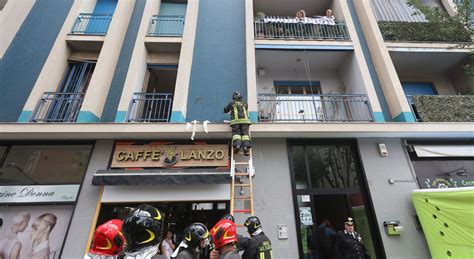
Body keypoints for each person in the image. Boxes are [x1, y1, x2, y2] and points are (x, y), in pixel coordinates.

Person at [224, 91, 252, 156]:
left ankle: (237, 146)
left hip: (236, 122)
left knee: (236, 134)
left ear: (234, 97)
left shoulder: (232, 103)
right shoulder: (245, 103)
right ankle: (245, 147)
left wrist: (225, 110)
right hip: (245, 121)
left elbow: (226, 110)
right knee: (245, 135)